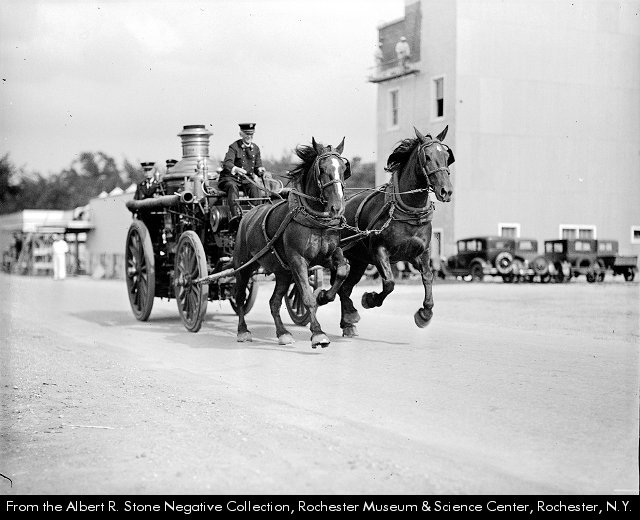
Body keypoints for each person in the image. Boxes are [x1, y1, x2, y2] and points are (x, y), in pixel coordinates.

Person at [219, 123, 266, 227]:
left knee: (255, 187)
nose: (249, 136)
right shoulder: (234, 147)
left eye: (251, 134)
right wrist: (236, 169)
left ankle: (258, 215)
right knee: (232, 186)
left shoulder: (256, 148)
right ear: (241, 134)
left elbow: (257, 166)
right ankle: (235, 217)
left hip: (246, 180)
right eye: (247, 134)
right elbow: (227, 163)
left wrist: (260, 169)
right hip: (230, 178)